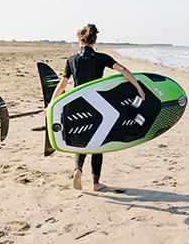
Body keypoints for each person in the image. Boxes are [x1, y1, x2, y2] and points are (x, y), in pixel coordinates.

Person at [50, 23, 146, 191]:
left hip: (78, 104)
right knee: (98, 141)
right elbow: (122, 69)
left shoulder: (71, 60)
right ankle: (95, 183)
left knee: (81, 140)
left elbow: (62, 85)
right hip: (99, 105)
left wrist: (51, 106)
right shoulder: (101, 58)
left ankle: (78, 170)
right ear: (94, 40)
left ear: (80, 40)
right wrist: (138, 87)